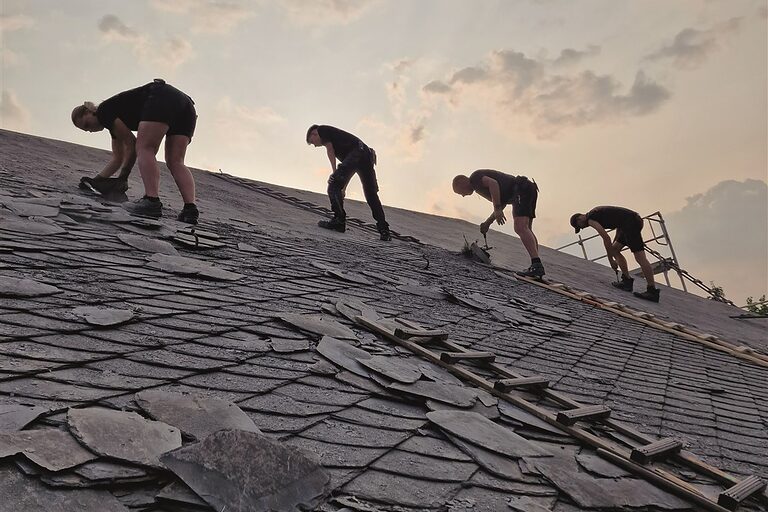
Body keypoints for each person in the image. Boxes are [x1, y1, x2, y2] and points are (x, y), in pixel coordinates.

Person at [71, 79, 199, 224]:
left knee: (145, 148)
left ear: (89, 111)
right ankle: (190, 209)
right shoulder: (112, 120)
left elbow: (131, 144)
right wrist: (97, 180)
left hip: (162, 97)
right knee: (176, 161)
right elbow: (118, 158)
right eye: (86, 130)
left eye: (87, 124)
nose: (90, 130)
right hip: (186, 106)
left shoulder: (104, 111)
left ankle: (151, 201)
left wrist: (123, 177)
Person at [452, 170, 544, 278]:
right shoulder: (478, 186)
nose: (462, 195)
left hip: (521, 190)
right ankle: (536, 266)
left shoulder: (475, 179)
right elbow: (501, 202)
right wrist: (488, 223)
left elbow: (493, 184)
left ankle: (536, 265)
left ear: (462, 183)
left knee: (520, 228)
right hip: (527, 189)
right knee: (526, 228)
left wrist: (497, 208)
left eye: (460, 192)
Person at [306, 124, 391, 241]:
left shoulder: (322, 130)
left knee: (333, 185)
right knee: (371, 195)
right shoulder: (343, 144)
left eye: (312, 142)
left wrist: (334, 173)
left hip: (358, 153)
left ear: (314, 134)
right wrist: (343, 188)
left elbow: (330, 150)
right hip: (366, 155)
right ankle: (384, 230)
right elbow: (350, 168)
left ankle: (339, 221)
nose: (315, 145)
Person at [570, 206, 660, 302]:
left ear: (579, 219)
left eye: (579, 226)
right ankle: (627, 280)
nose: (582, 228)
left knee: (639, 257)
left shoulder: (591, 218)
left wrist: (611, 260)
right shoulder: (595, 212)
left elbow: (606, 238)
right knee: (615, 249)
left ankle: (652, 291)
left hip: (630, 223)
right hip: (627, 223)